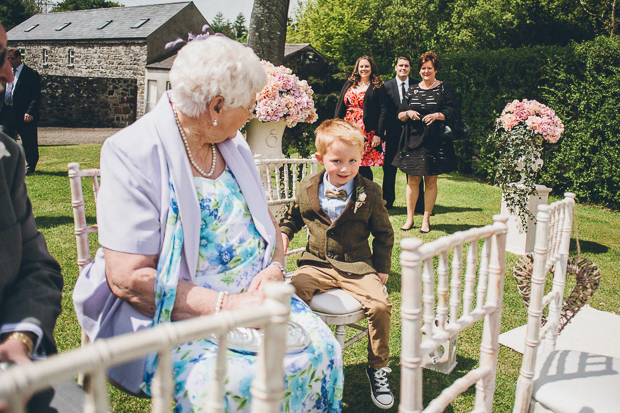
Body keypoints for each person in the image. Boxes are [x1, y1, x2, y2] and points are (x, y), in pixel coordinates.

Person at [72, 36, 343, 412]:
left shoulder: (233, 144)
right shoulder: (131, 152)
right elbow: (128, 278)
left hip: (258, 302)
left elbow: (268, 224)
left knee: (322, 349)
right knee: (242, 385)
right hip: (183, 316)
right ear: (216, 106)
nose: (252, 115)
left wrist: (276, 269)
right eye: (248, 108)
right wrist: (229, 306)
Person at [280, 119, 395, 410]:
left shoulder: (370, 192)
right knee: (292, 291)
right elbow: (293, 217)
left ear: (361, 159)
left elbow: (383, 233)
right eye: (337, 161)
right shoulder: (307, 187)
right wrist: (283, 235)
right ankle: (297, 356)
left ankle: (378, 367)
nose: (345, 168)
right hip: (316, 263)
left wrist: (381, 269)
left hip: (357, 265)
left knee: (380, 306)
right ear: (321, 159)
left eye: (353, 161)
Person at [0, 23, 84, 413]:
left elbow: (38, 269)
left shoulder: (6, 160)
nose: (5, 72)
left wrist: (19, 338)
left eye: (6, 56)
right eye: (1, 58)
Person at [393, 51, 461, 233]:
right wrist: (408, 113)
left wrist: (438, 115)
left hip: (435, 141)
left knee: (431, 181)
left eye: (429, 68)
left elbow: (454, 111)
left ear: (435, 69)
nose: (426, 72)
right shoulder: (412, 89)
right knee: (412, 181)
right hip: (412, 141)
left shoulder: (444, 88)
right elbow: (399, 114)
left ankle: (426, 219)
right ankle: (409, 219)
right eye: (423, 68)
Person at [334, 56, 387, 181]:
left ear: (372, 68)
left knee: (363, 165)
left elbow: (383, 111)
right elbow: (340, 105)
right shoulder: (349, 83)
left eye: (367, 66)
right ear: (357, 68)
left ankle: (365, 196)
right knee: (347, 162)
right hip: (348, 130)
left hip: (367, 132)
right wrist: (335, 127)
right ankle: (349, 194)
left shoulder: (377, 86)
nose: (364, 69)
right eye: (361, 66)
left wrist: (378, 134)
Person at [382, 56, 425, 211]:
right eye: (400, 65)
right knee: (389, 168)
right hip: (392, 133)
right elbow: (383, 112)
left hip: (413, 133)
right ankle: (387, 200)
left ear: (410, 68)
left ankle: (419, 204)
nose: (403, 68)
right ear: (395, 67)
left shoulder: (418, 85)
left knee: (415, 167)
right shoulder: (386, 87)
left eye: (406, 66)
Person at [0, 48, 41, 174]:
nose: (9, 62)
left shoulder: (31, 74)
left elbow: (36, 96)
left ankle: (30, 166)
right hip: (7, 111)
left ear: (19, 58)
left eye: (11, 59)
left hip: (23, 113)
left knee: (28, 141)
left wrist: (30, 112)